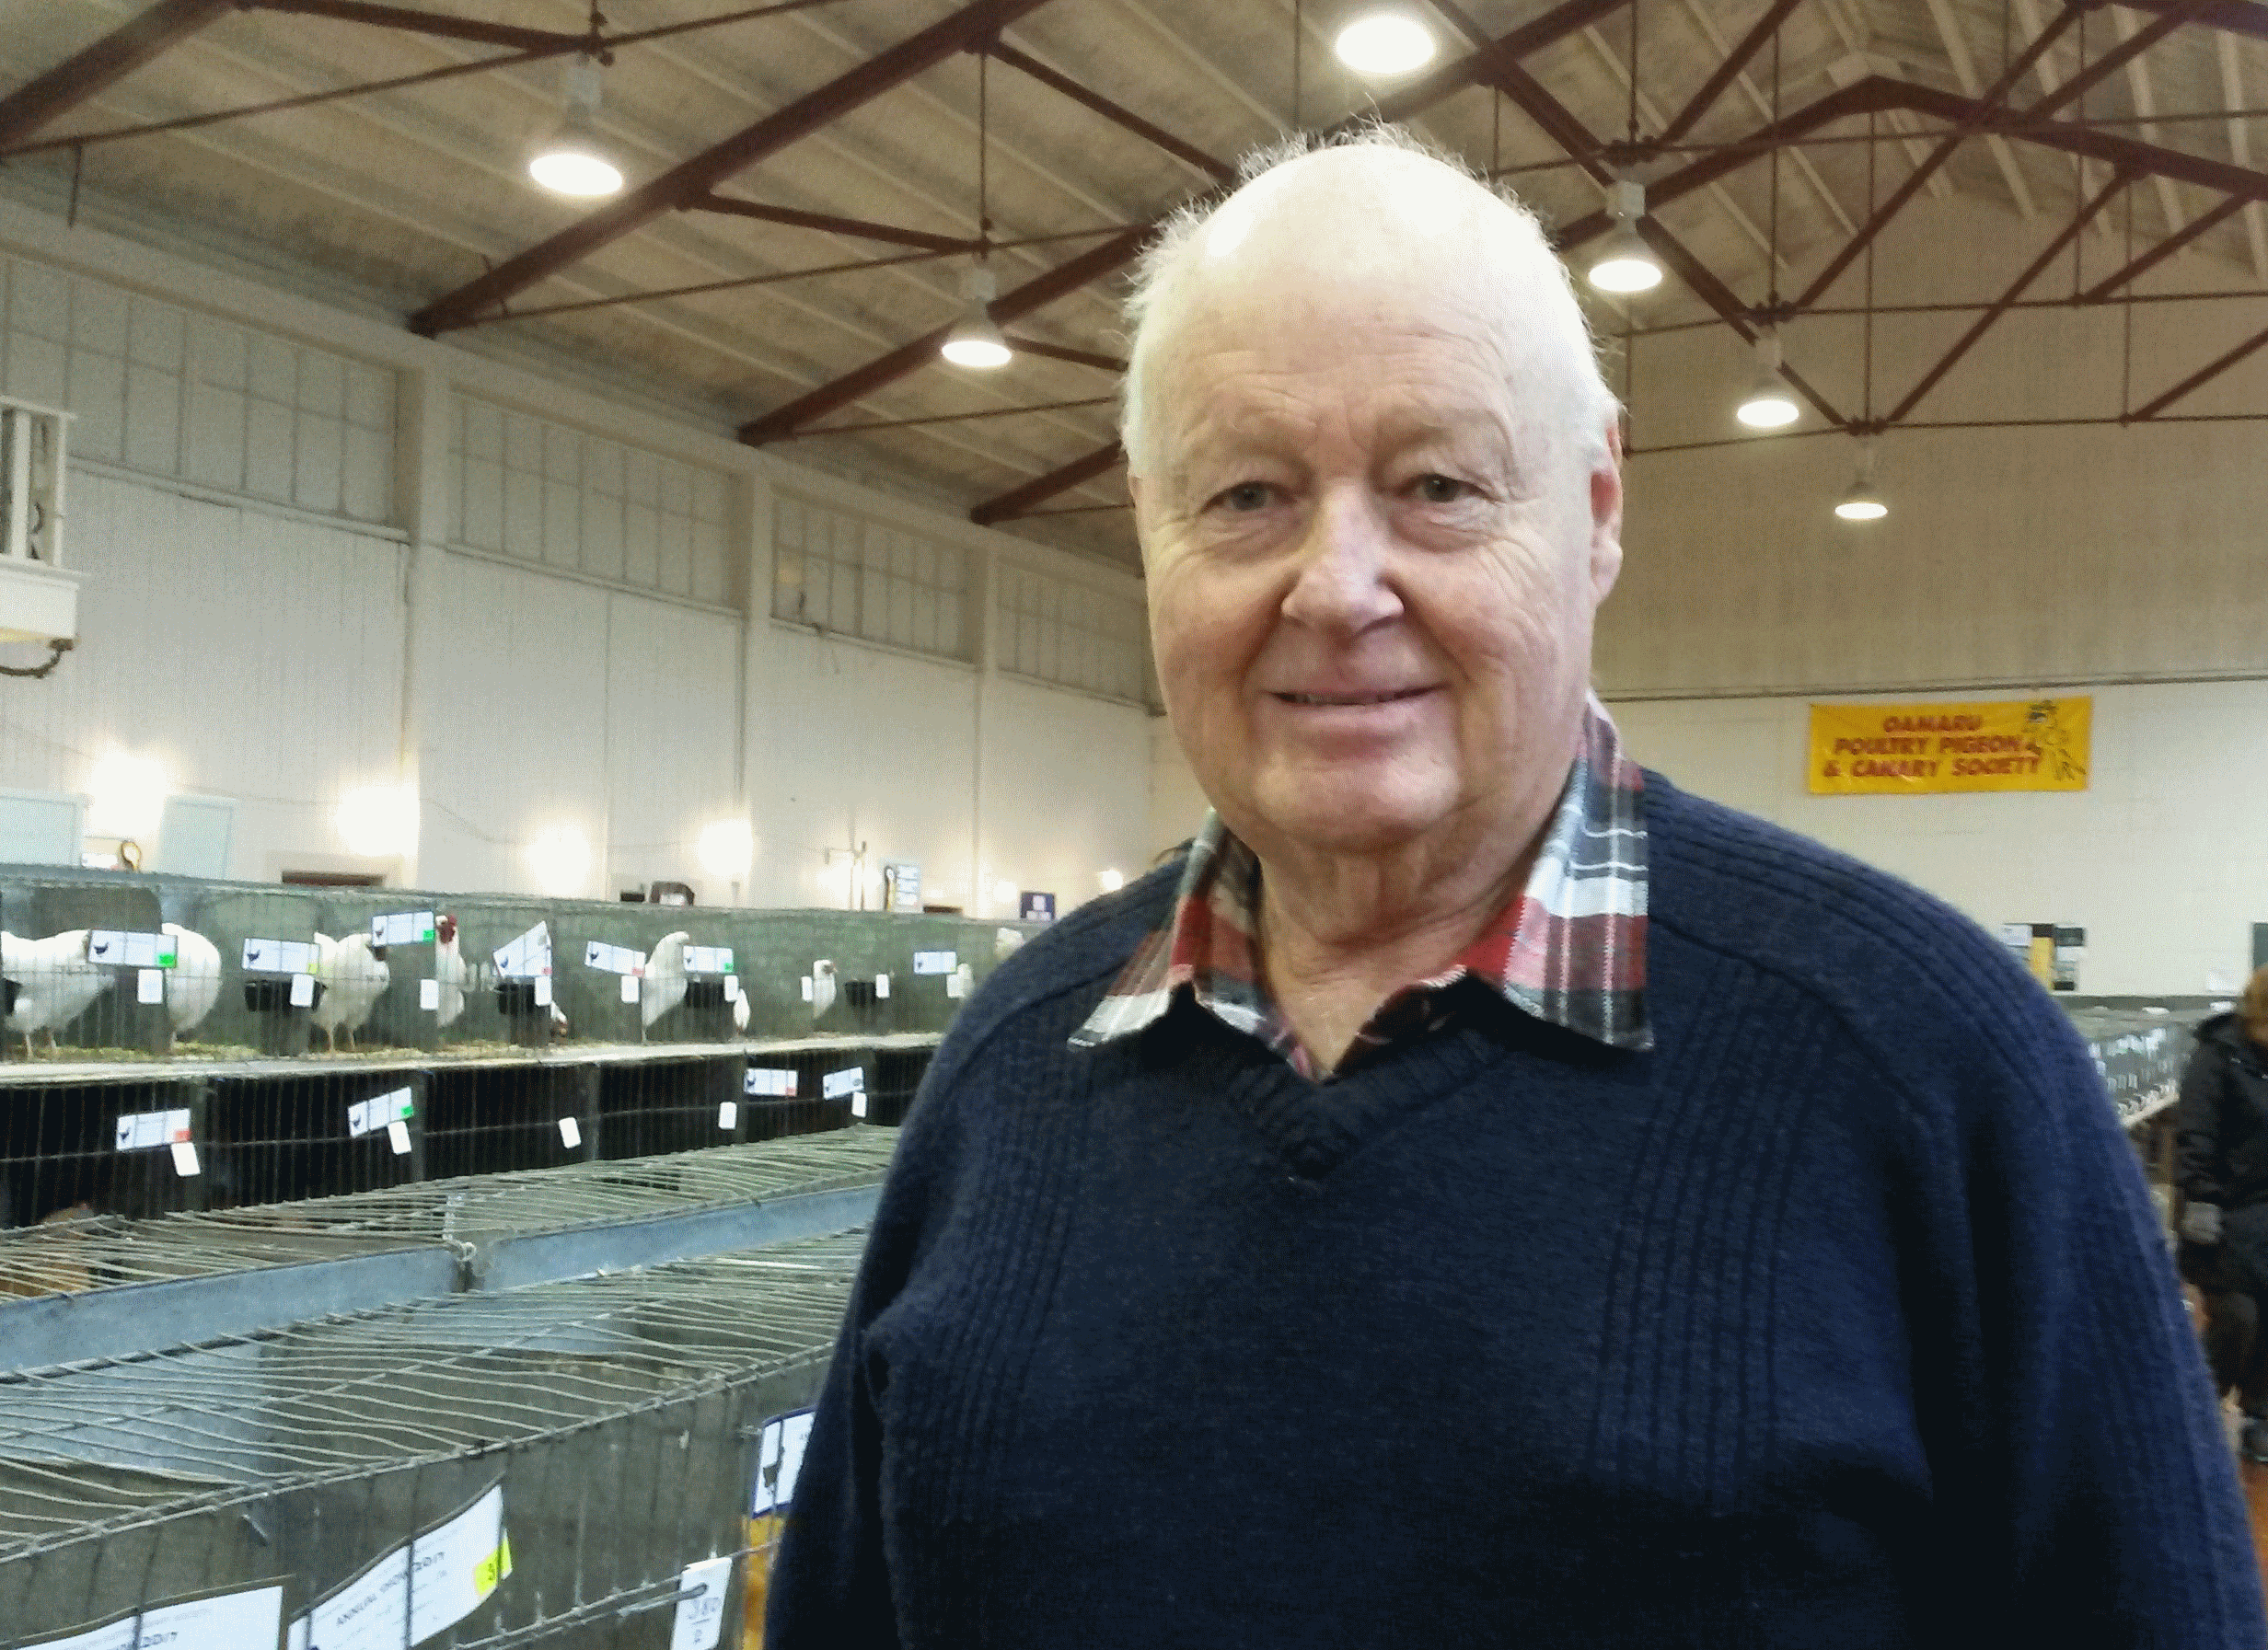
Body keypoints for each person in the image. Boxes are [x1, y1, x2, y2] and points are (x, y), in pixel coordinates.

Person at [768, 129, 2262, 1646]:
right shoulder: (1010, 1061)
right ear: (1146, 525)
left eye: (1435, 485)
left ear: (1595, 510)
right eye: (1243, 496)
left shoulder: (1925, 1064)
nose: (1335, 588)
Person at [2178, 965, 2268, 1459]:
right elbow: (2195, 1131)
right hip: (2225, 1213)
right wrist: (2201, 1195)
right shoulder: (2218, 1056)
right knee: (2238, 1318)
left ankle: (2260, 1415)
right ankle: (2197, 1405)